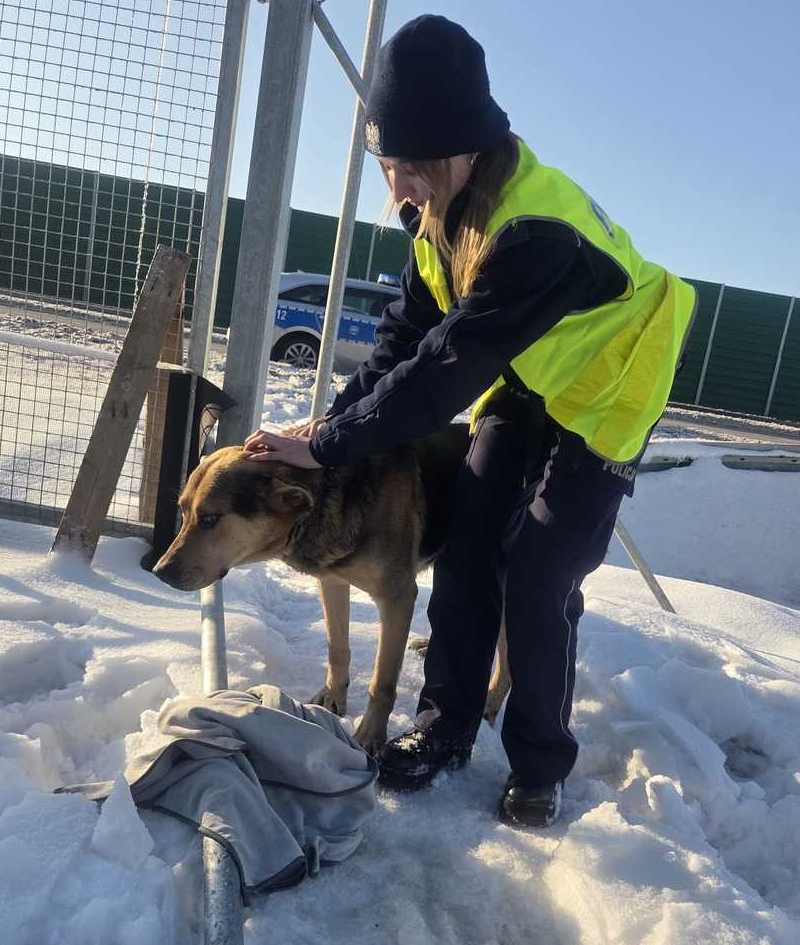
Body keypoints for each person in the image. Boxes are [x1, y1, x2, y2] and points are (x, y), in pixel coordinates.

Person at [244, 14, 695, 829]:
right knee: (469, 542)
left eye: (409, 168)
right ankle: (444, 726)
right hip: (528, 375)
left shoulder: (534, 232)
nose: (398, 190)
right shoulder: (436, 217)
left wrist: (334, 445)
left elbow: (446, 371)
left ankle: (539, 760)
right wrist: (324, 437)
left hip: (608, 391)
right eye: (387, 167)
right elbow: (400, 345)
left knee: (540, 571)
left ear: (460, 150)